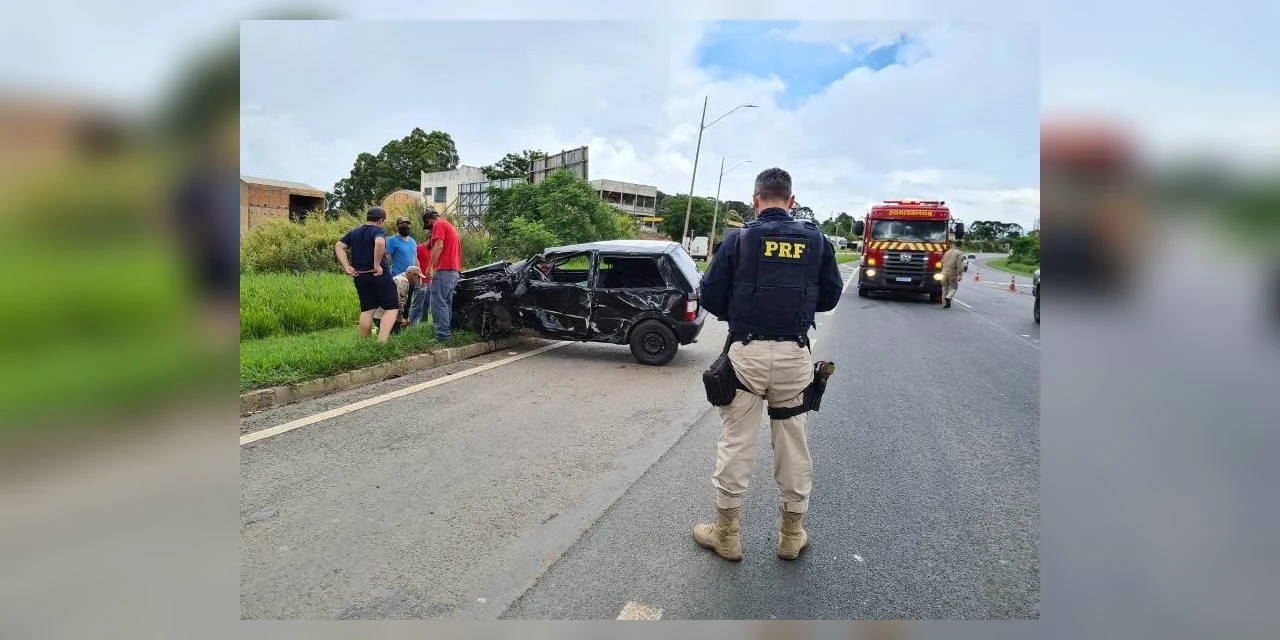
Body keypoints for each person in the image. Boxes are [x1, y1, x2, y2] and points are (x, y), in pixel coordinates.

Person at [695, 167, 844, 561]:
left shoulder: (739, 239)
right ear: (791, 201)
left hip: (746, 355)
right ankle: (791, 536)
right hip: (795, 355)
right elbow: (830, 296)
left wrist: (740, 313)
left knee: (737, 442)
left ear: (755, 199)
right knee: (793, 446)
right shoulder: (816, 240)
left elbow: (710, 294)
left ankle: (726, 535)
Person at [334, 207, 399, 343]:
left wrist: (347, 266)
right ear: (381, 220)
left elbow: (339, 246)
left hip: (360, 276)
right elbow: (380, 242)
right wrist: (376, 265)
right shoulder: (378, 230)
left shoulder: (354, 232)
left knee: (367, 309)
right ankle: (381, 342)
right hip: (378, 276)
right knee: (391, 308)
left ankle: (364, 343)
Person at [421, 208, 462, 342]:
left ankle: (442, 336)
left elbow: (439, 245)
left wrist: (430, 266)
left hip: (444, 270)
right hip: (454, 271)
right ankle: (446, 333)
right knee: (446, 303)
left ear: (429, 220)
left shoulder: (438, 224)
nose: (430, 229)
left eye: (428, 226)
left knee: (438, 303)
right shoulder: (450, 226)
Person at [373, 266, 425, 334]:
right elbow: (398, 304)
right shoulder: (403, 282)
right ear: (412, 275)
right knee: (398, 334)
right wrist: (401, 320)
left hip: (379, 314)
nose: (419, 280)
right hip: (383, 316)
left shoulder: (399, 278)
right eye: (418, 277)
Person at [409, 225, 435, 325]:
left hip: (429, 281)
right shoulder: (419, 248)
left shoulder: (433, 251)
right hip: (420, 280)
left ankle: (424, 323)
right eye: (433, 241)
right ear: (429, 239)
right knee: (418, 304)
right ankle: (412, 323)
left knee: (427, 304)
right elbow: (414, 261)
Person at [940, 242, 965, 308]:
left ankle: (944, 304)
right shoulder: (959, 253)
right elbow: (959, 265)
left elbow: (941, 261)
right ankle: (948, 297)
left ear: (954, 245)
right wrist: (960, 274)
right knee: (953, 287)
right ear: (961, 246)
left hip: (944, 272)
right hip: (953, 273)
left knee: (944, 288)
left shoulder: (947, 252)